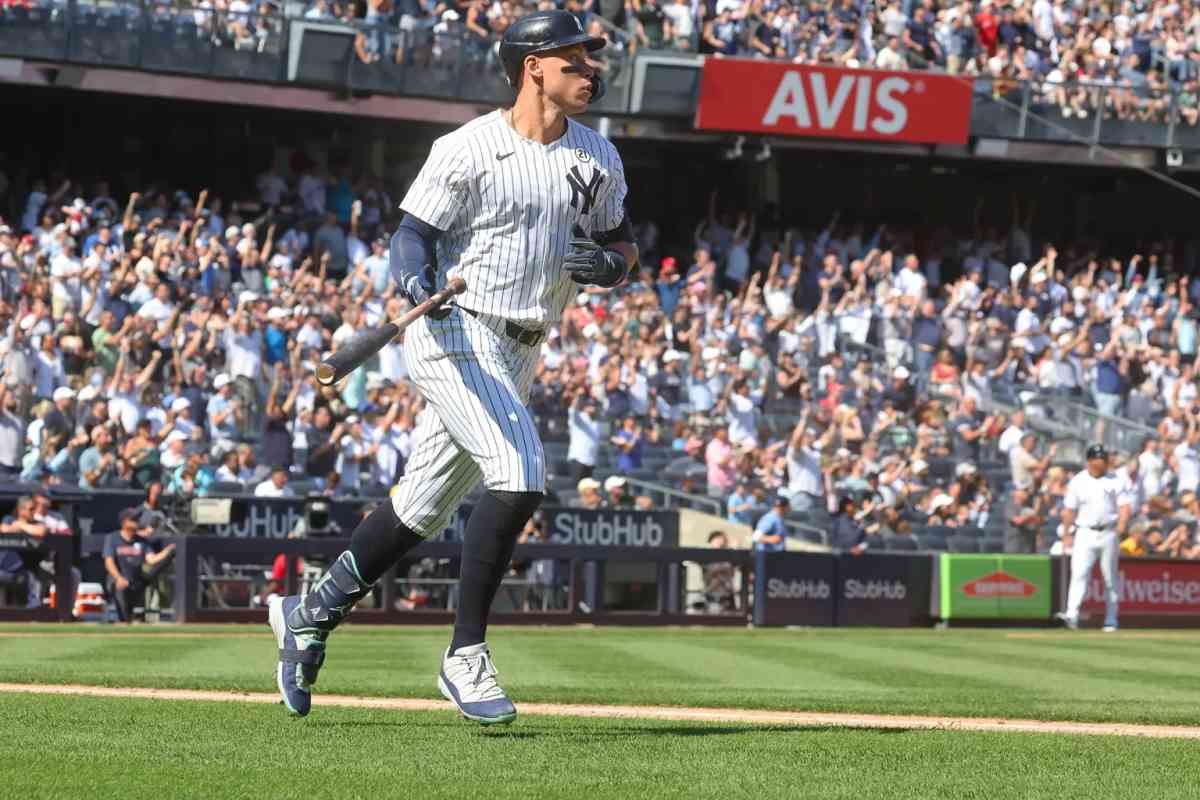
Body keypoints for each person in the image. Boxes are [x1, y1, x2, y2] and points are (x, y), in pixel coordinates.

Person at [268, 10, 636, 725]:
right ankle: (464, 652)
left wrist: (611, 267)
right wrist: (413, 283)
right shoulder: (468, 148)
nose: (591, 72)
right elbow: (413, 237)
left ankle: (309, 614)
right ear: (533, 67)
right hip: (453, 330)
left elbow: (621, 245)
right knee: (523, 472)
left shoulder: (600, 156)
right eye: (575, 61)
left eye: (589, 61)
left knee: (420, 508)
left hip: (524, 346)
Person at [1057, 444, 1130, 632]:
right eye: (1100, 458)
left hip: (1108, 532)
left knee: (1110, 578)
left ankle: (1111, 619)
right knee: (1079, 574)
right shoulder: (1078, 481)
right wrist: (1066, 535)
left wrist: (1121, 527)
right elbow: (1069, 510)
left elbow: (1124, 506)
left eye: (1105, 458)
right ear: (1090, 461)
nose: (1104, 461)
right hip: (1084, 532)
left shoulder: (1115, 480)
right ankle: (1072, 615)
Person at [102, 508, 176, 623]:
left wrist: (166, 553)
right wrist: (118, 578)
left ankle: (129, 618)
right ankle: (124, 619)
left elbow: (151, 559)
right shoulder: (112, 538)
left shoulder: (141, 541)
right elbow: (109, 562)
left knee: (145, 578)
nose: (137, 521)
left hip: (135, 581)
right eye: (133, 519)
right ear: (124, 522)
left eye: (137, 518)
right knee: (123, 606)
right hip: (118, 580)